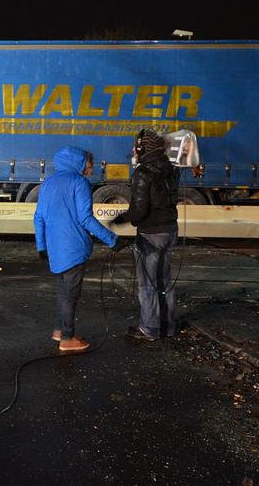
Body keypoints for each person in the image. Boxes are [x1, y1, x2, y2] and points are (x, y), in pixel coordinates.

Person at [34, 146, 122, 353]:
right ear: (79, 163)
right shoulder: (79, 182)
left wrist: (41, 246)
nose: (90, 169)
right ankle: (67, 338)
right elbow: (85, 219)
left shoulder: (48, 183)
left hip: (55, 247)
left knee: (63, 290)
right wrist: (113, 240)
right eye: (88, 165)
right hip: (73, 246)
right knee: (71, 293)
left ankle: (59, 330)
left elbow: (39, 217)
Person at [114, 129, 180, 341]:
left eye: (137, 146)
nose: (134, 150)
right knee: (164, 280)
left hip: (151, 234)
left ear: (143, 148)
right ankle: (168, 327)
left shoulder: (143, 172)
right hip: (169, 230)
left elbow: (139, 210)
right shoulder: (171, 168)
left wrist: (121, 220)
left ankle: (150, 329)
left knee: (148, 283)